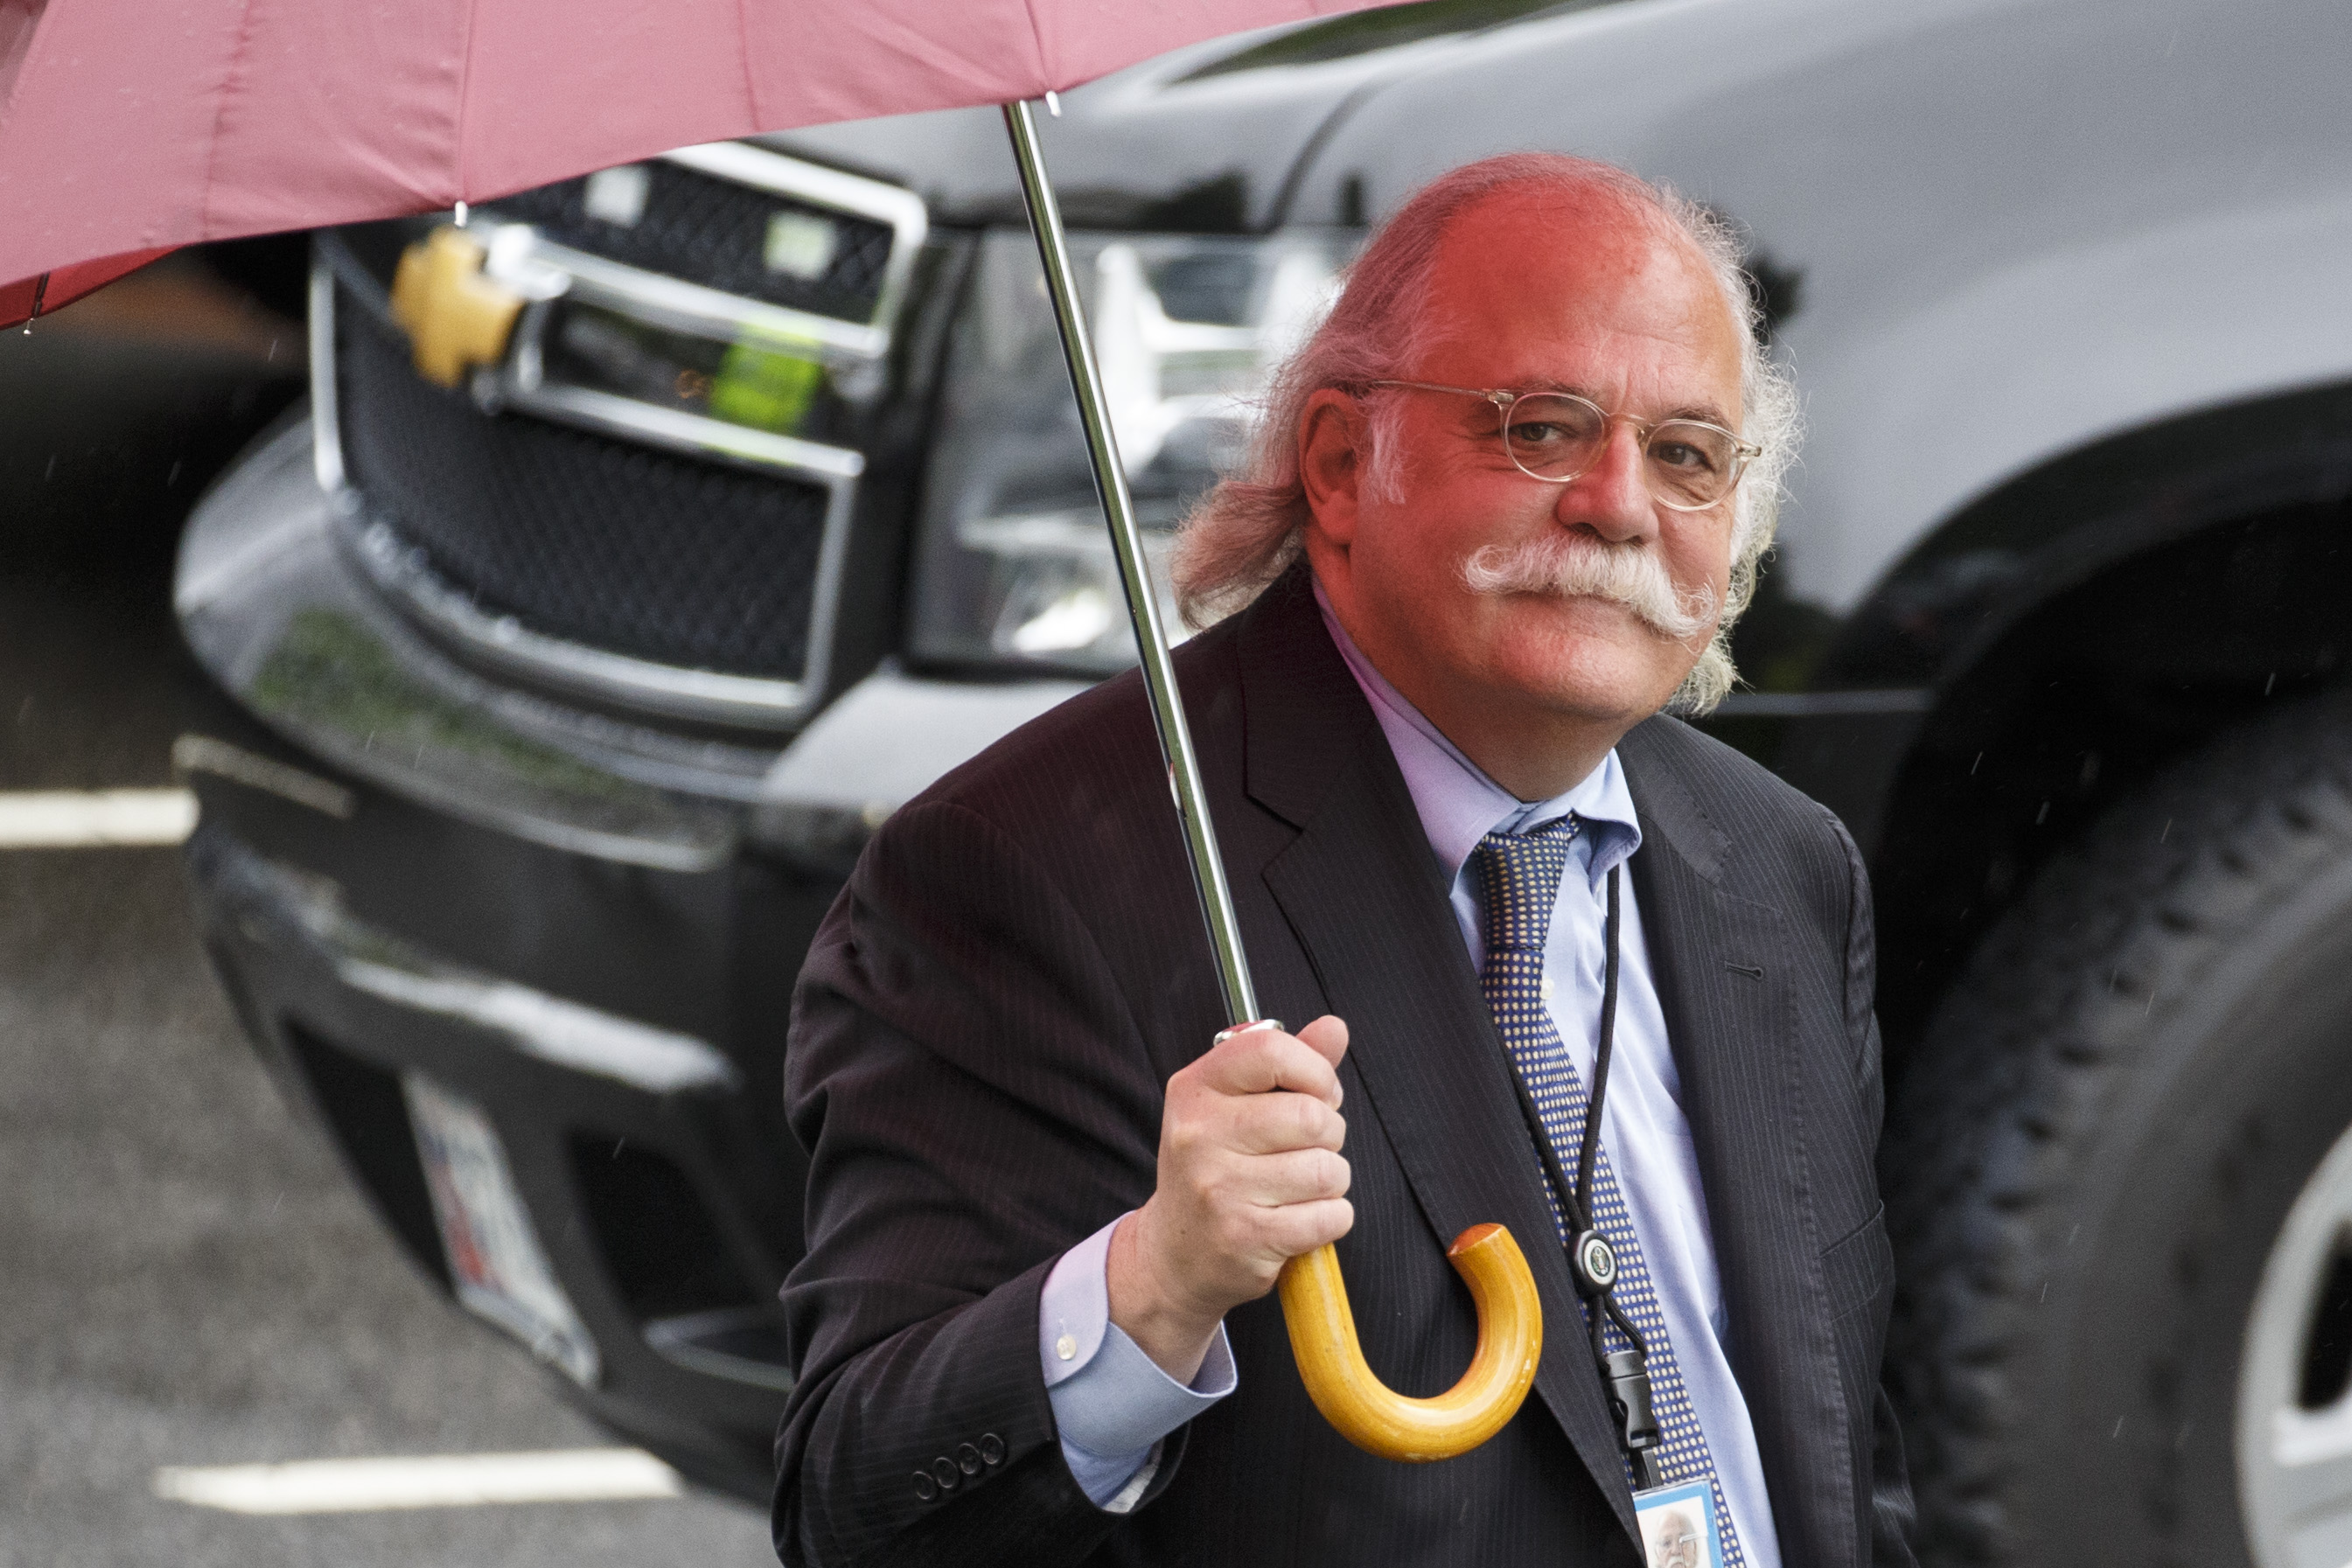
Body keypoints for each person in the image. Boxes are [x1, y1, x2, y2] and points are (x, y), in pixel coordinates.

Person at [772, 153, 1917, 1568]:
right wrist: (1151, 1286)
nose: (1617, 502)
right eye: (1541, 428)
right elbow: (861, 1510)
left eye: (1685, 454)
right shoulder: (1025, 871)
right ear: (1337, 464)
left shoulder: (1780, 865)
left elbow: (1846, 1460)